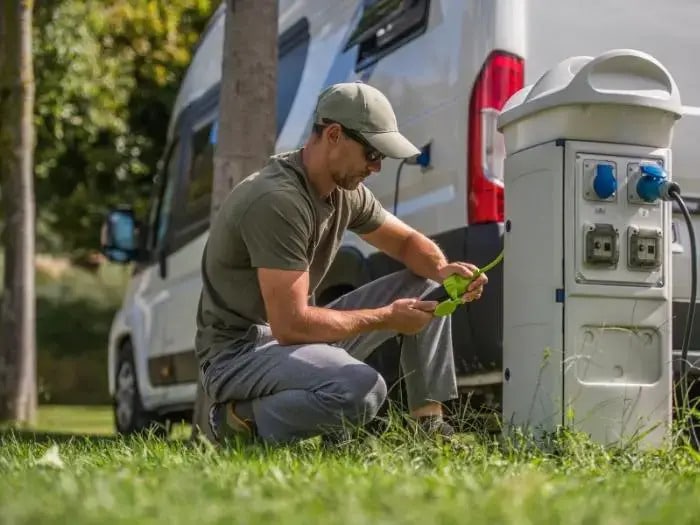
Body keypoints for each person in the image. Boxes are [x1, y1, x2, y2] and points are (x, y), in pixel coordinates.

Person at [194, 81, 488, 445]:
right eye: (372, 153)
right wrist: (388, 317)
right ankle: (236, 420)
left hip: (289, 343)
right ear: (333, 134)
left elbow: (408, 243)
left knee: (426, 285)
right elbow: (290, 325)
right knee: (363, 390)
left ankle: (428, 432)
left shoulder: (345, 192)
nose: (377, 167)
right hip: (238, 354)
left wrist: (443, 269)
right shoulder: (277, 201)